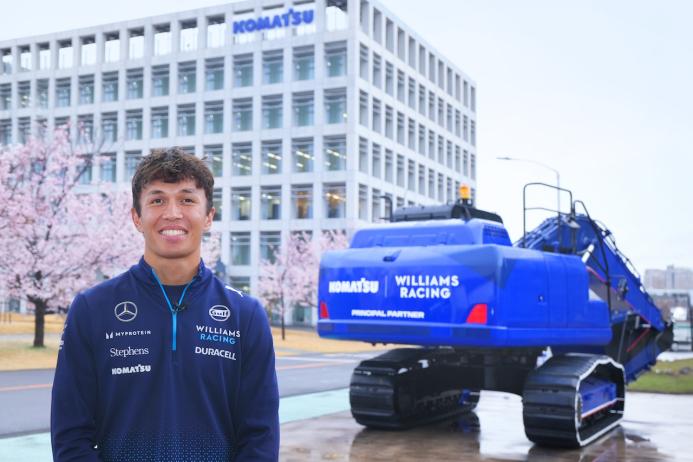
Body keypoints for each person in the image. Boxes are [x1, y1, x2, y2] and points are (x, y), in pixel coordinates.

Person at [51, 148, 279, 461]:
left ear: (209, 216)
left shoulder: (245, 316)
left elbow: (260, 437)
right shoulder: (92, 309)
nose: (172, 213)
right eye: (157, 200)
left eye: (187, 199)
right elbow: (70, 435)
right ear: (137, 217)